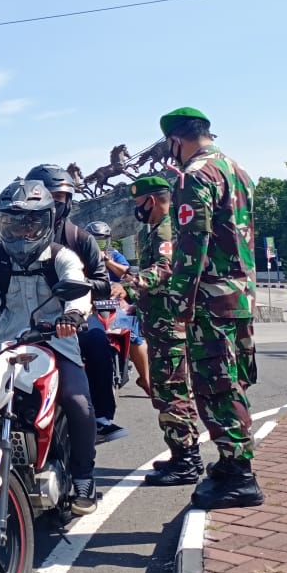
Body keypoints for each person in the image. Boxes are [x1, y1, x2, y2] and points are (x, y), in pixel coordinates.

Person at [0, 178, 99, 515]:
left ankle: (84, 477)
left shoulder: (62, 257)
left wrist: (72, 315)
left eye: (31, 223)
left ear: (47, 222)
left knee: (78, 402)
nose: (21, 232)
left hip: (56, 343)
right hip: (7, 344)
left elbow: (81, 291)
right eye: (11, 223)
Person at [161, 106, 264, 510]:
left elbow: (193, 243)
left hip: (210, 298)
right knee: (235, 375)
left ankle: (240, 474)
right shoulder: (238, 171)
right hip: (239, 294)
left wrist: (180, 301)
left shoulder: (194, 176)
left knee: (216, 384)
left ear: (175, 140)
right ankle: (229, 462)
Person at [24, 164, 126, 444]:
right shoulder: (14, 237)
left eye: (59, 200)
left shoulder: (81, 238)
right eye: (47, 199)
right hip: (24, 313)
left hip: (74, 313)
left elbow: (103, 281)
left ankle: (102, 416)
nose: (54, 206)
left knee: (95, 341)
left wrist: (75, 288)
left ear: (68, 202)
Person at [121, 175, 203, 486]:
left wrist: (131, 284)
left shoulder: (166, 228)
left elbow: (166, 268)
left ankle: (186, 461)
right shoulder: (154, 229)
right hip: (159, 323)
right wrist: (136, 298)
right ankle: (183, 455)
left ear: (150, 201)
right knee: (169, 389)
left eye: (137, 203)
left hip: (169, 325)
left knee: (172, 390)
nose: (136, 209)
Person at [85, 220, 152, 400]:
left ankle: (145, 379)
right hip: (90, 307)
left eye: (102, 240)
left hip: (115, 305)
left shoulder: (115, 256)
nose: (99, 244)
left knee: (134, 336)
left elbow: (129, 274)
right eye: (95, 240)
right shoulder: (79, 257)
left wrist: (106, 260)